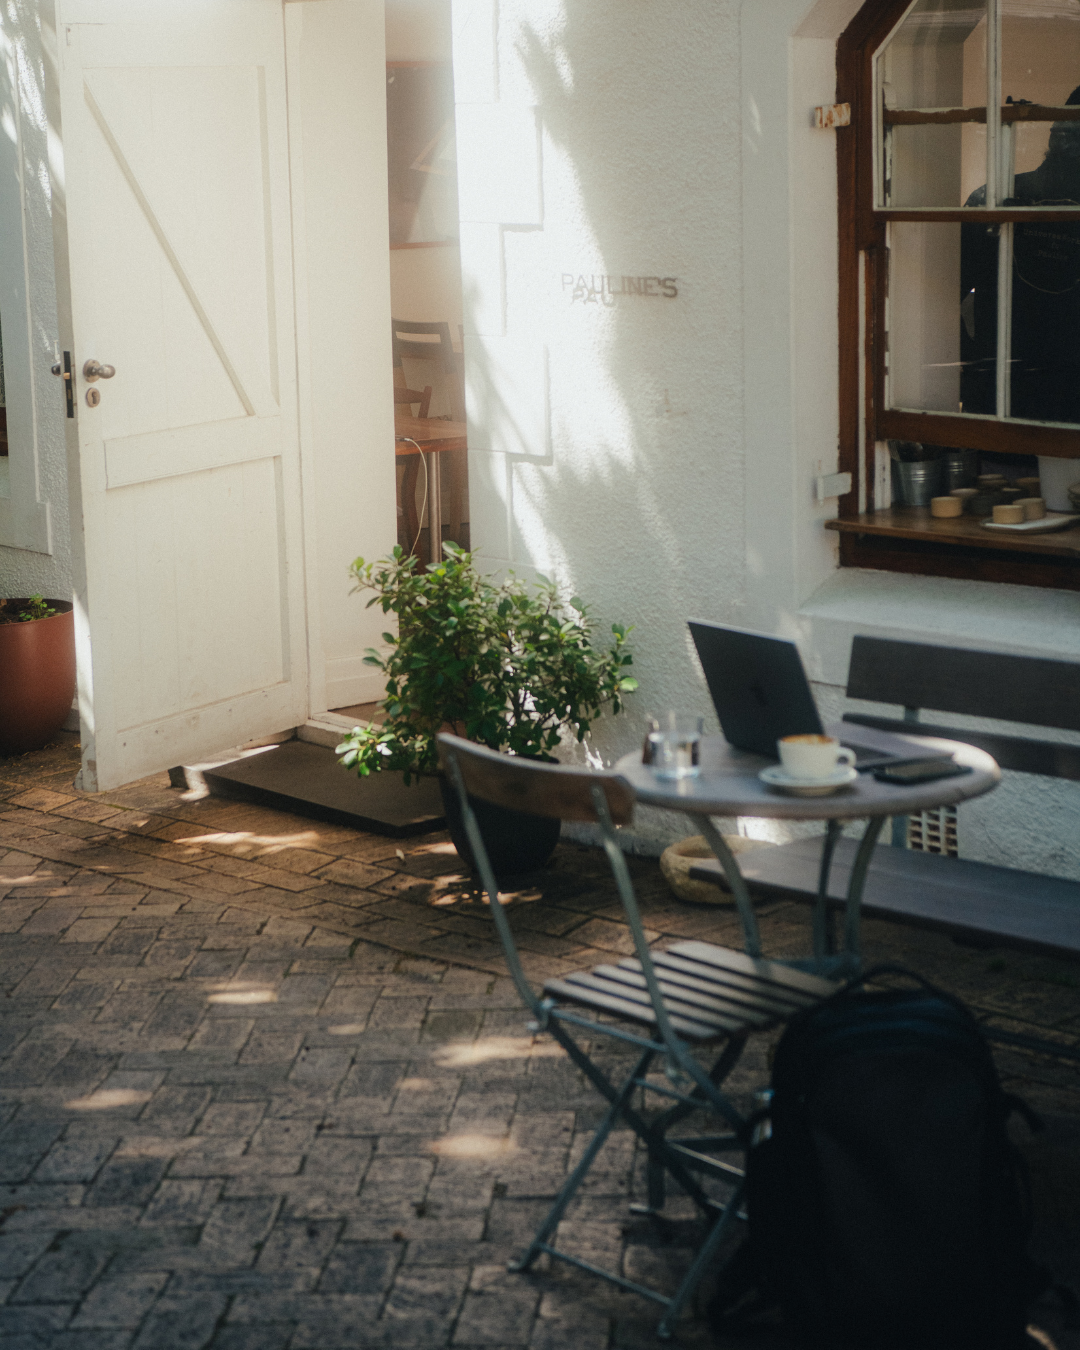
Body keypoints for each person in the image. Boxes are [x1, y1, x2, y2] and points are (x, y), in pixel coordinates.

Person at [960, 85, 1080, 423]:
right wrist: (972, 366)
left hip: (1005, 397)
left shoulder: (993, 198)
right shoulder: (993, 200)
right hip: (1005, 397)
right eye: (1068, 130)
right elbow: (941, 299)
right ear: (1057, 134)